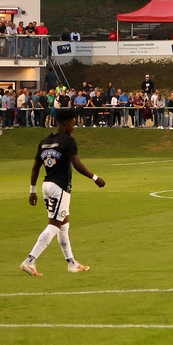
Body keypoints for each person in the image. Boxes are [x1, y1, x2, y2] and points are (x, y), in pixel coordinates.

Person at [20, 109, 105, 276]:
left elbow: (36, 167)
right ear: (66, 123)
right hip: (60, 187)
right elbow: (77, 164)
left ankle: (71, 263)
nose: (75, 126)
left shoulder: (44, 141)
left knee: (63, 225)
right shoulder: (68, 141)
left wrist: (32, 190)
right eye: (73, 123)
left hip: (46, 185)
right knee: (54, 225)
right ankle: (30, 260)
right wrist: (95, 178)